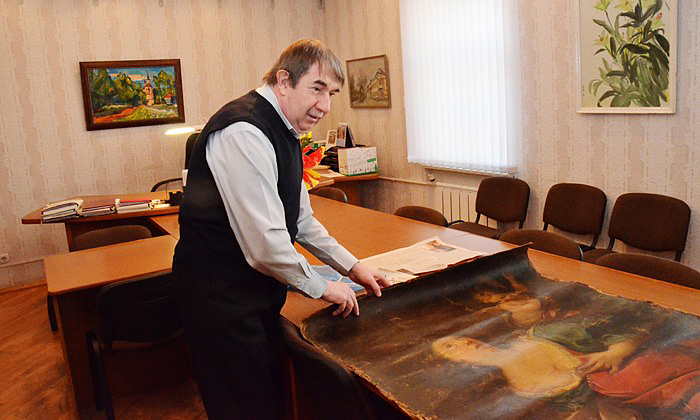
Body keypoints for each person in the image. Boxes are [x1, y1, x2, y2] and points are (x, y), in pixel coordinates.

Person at [172, 39, 389, 419]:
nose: (325, 106)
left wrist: (353, 267)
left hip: (252, 291)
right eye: (317, 89)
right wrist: (322, 287)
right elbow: (265, 245)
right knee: (243, 407)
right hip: (220, 298)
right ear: (284, 81)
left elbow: (300, 220)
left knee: (270, 397)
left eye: (332, 94)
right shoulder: (244, 132)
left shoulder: (285, 130)